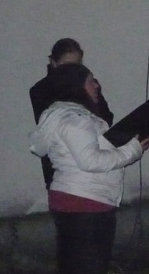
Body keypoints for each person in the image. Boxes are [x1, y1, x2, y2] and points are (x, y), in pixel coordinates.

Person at [29, 62, 149, 274]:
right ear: (76, 86)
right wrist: (132, 150)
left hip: (76, 199)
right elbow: (91, 161)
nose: (97, 86)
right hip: (85, 202)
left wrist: (122, 143)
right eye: (91, 81)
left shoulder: (63, 116)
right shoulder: (75, 120)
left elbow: (86, 152)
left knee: (85, 273)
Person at [30, 38, 114, 189]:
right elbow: (48, 131)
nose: (72, 70)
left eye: (77, 64)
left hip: (94, 159)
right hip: (62, 167)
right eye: (66, 65)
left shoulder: (89, 84)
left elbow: (106, 117)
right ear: (54, 63)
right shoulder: (41, 90)